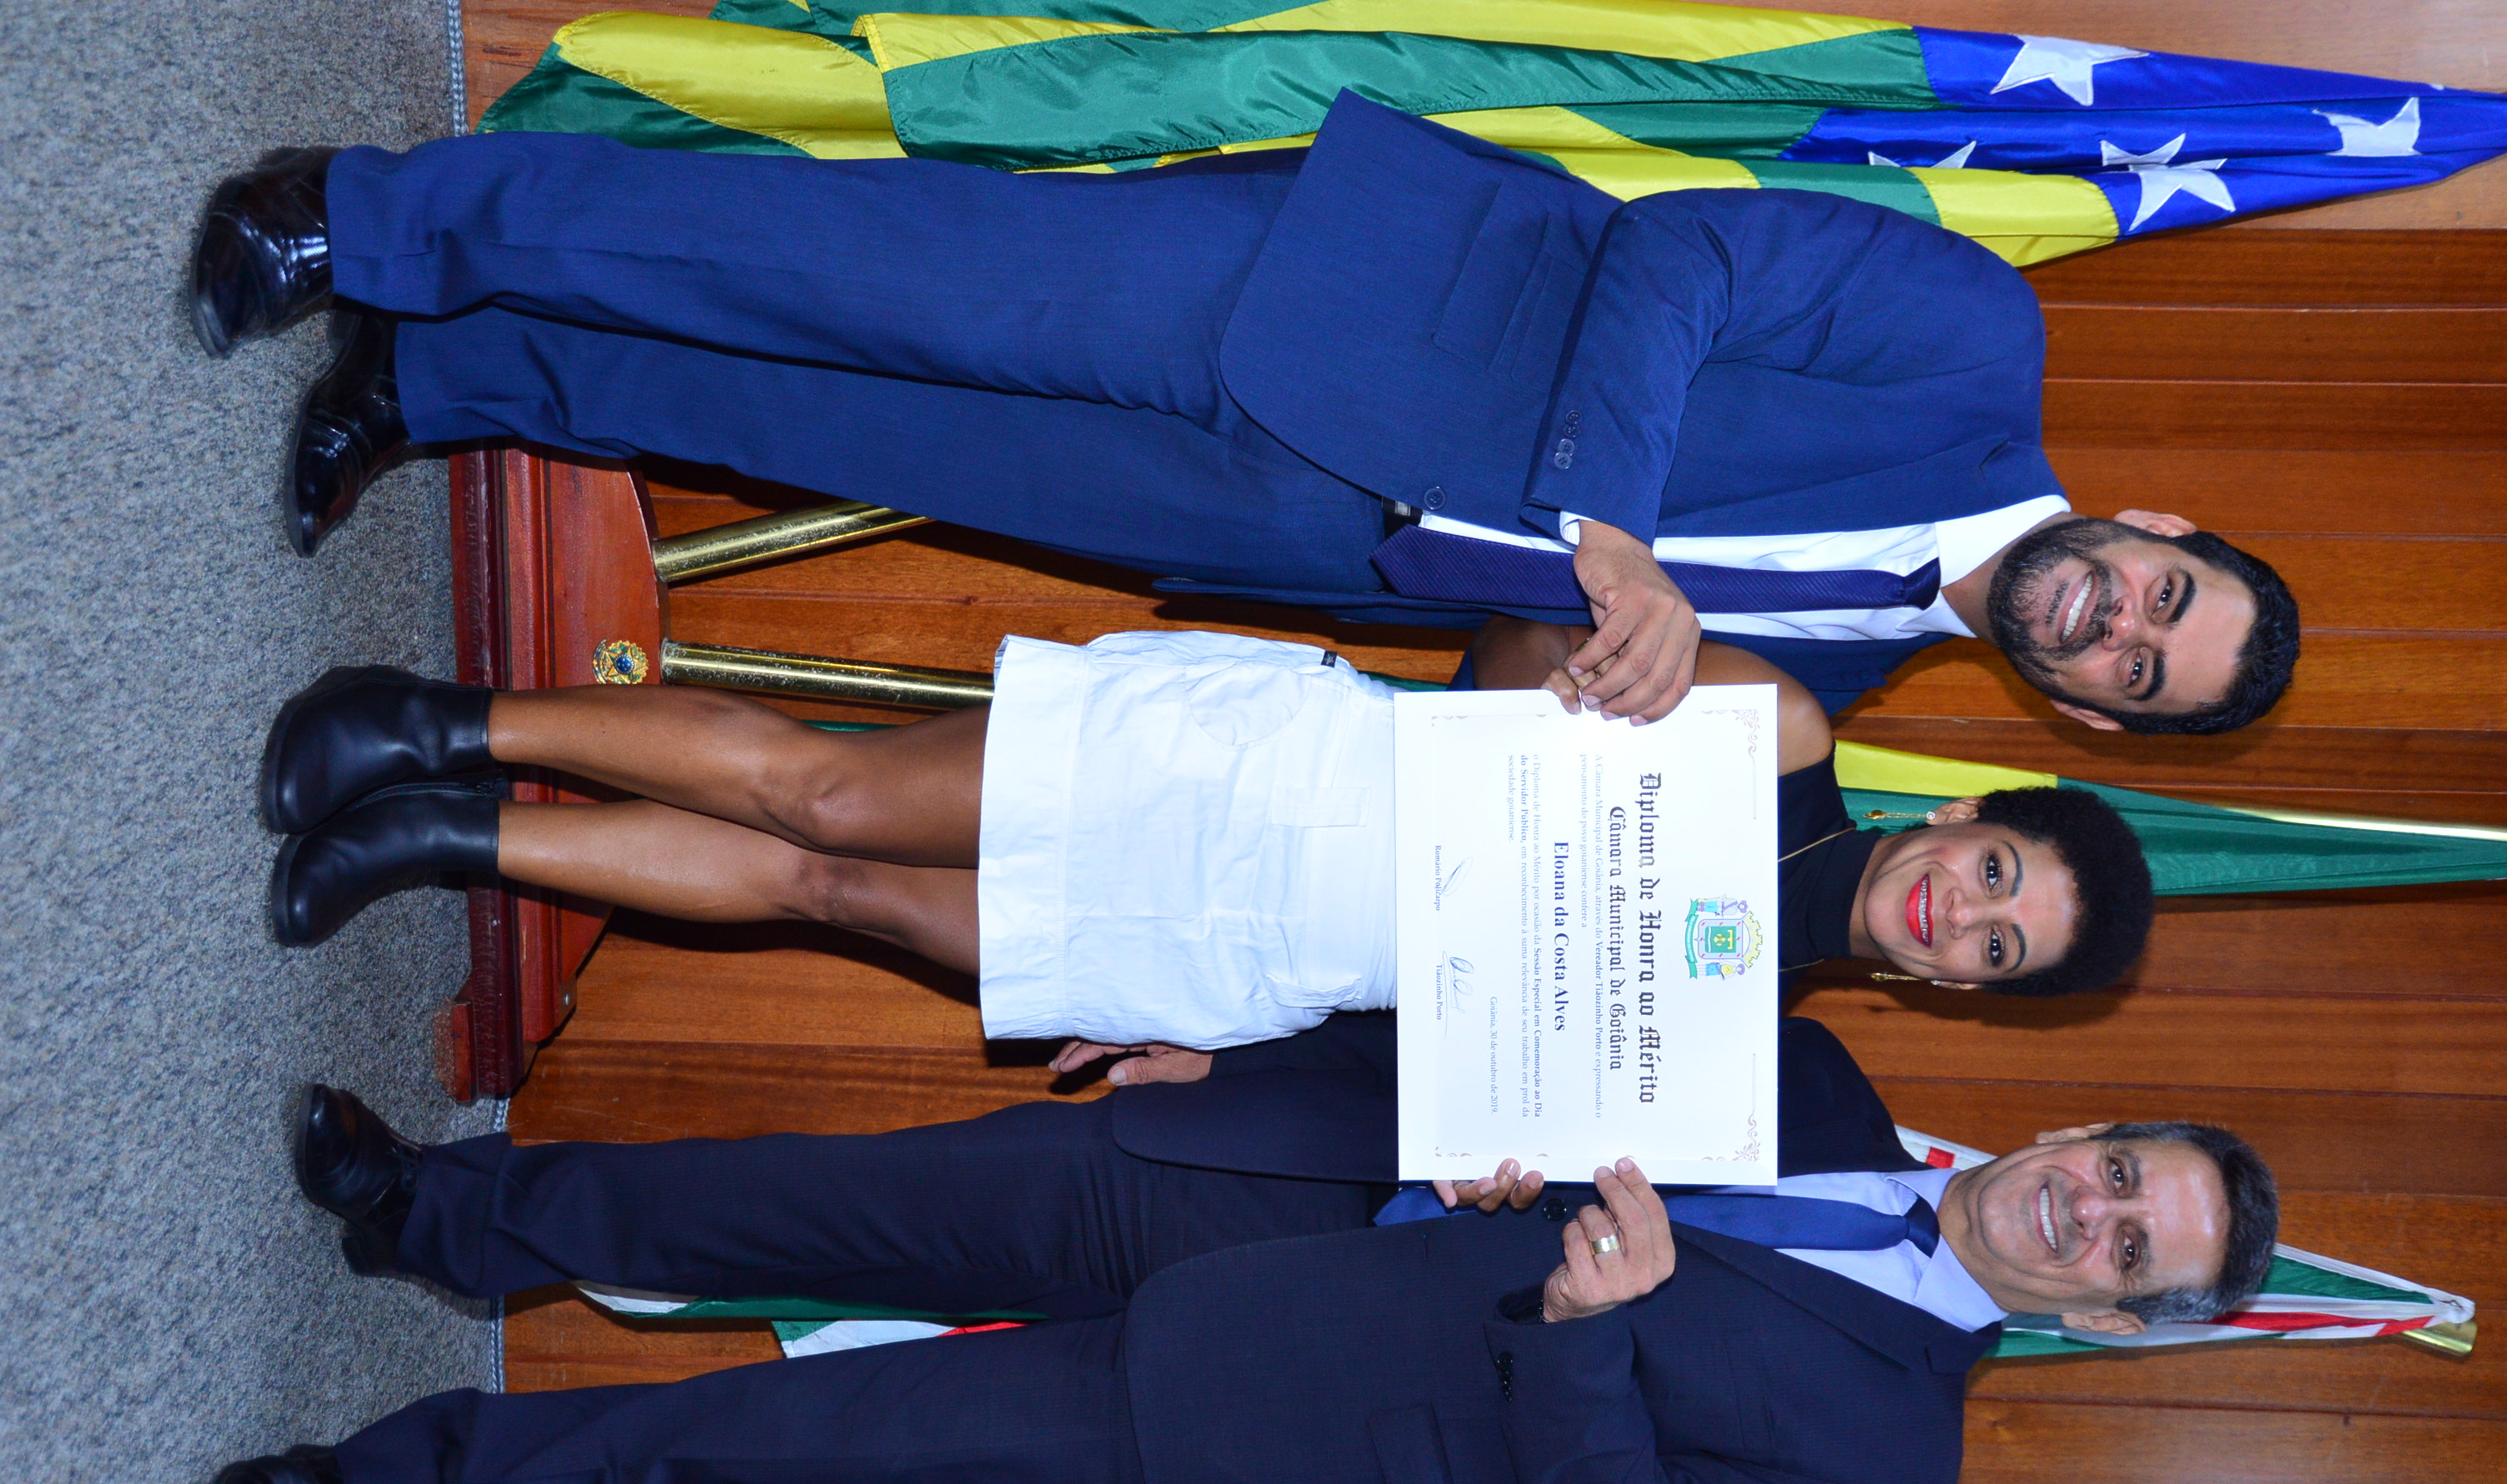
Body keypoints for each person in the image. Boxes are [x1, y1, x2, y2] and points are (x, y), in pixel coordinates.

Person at [188, 93, 2298, 732]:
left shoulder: (1838, 682)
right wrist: (1624, 536)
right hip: (1338, 295)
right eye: (2159, 596)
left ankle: (443, 374)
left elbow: (1526, 674)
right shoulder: (1972, 346)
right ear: (2163, 527)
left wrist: (1583, 704)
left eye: (2137, 667)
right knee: (833, 266)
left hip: (1294, 526)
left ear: (2097, 717)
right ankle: (365, 216)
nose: (2114, 622)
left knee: (839, 422)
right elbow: (1685, 260)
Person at [203, 1026, 2278, 1484]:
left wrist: (1585, 1329)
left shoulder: (1891, 1475)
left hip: (1277, 1422)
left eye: (2127, 1248)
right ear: (2077, 1124)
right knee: (804, 1193)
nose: (2087, 1209)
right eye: (2119, 1169)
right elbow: (1498, 1015)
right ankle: (436, 1207)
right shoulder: (1806, 1068)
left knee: (790, 1456)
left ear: (2112, 1321)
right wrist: (1253, 1053)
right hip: (1254, 1173)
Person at [258, 627, 2154, 1048]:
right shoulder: (1788, 735)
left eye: (1996, 947)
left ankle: (445, 839)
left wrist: (1223, 1053)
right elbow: (1505, 648)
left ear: (1959, 993)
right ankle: (433, 719)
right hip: (1267, 780)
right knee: (833, 794)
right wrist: (1574, 687)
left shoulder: (1730, 1056)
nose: (1957, 913)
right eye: (1997, 872)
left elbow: (1443, 1057)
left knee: (837, 894)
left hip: (1256, 964)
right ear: (1966, 814)